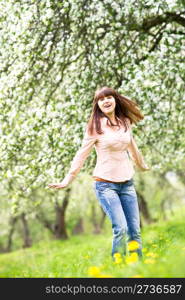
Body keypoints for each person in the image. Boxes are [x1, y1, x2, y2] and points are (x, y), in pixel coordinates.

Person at [48, 86, 150, 259]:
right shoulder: (95, 127)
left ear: (115, 99)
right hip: (105, 185)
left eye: (109, 97)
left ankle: (137, 267)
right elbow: (81, 154)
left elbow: (132, 147)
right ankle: (118, 265)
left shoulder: (125, 122)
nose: (106, 101)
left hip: (127, 183)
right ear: (98, 105)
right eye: (101, 99)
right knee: (121, 228)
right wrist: (68, 179)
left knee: (135, 231)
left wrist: (142, 164)